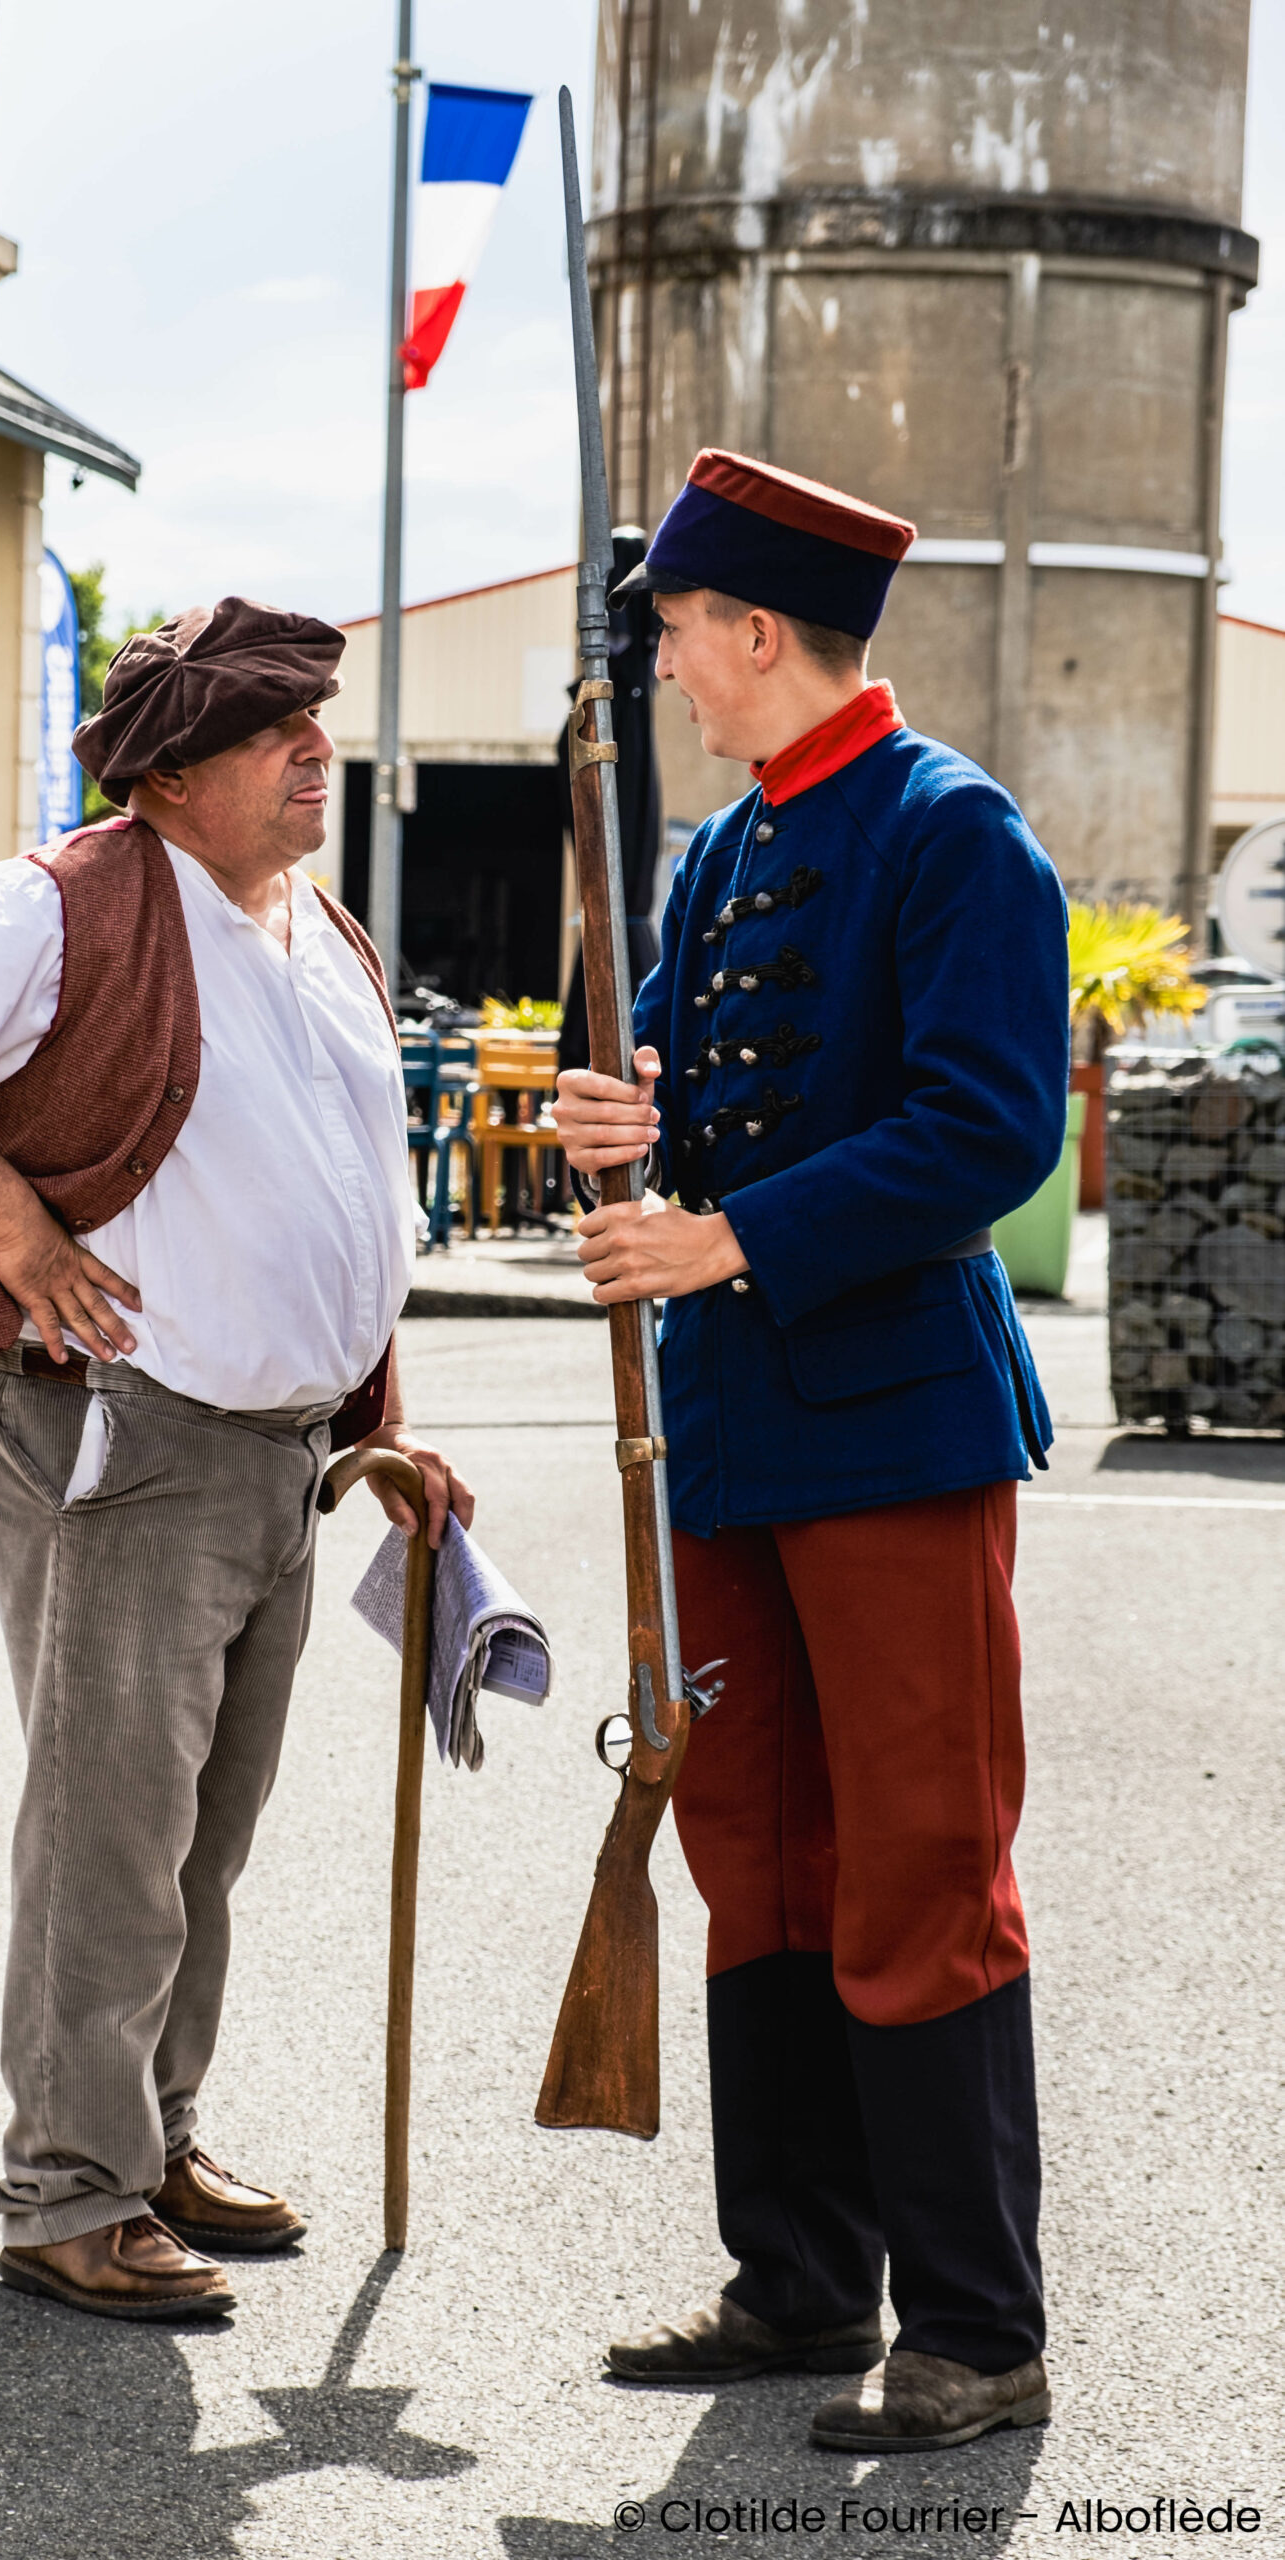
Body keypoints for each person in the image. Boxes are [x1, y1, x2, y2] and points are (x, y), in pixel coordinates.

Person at [0, 597, 473, 2325]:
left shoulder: (312, 925)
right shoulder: (52, 907)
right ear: (171, 772)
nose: (316, 752)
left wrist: (383, 1424)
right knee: (112, 1823)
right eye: (272, 729)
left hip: (280, 1447)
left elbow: (337, 1185)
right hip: (119, 1427)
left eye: (315, 720)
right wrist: (5, 1218)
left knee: (206, 1827)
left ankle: (150, 2137)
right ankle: (66, 2191)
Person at [551, 451, 1068, 2454]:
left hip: (889, 1417)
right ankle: (793, 2276)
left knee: (918, 1853)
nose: (668, 672)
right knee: (747, 1839)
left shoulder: (950, 832)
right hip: (735, 1420)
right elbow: (708, 1071)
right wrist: (635, 1114)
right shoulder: (731, 846)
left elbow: (983, 1123)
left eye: (679, 635)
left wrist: (731, 1231)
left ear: (751, 630)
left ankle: (970, 2321)